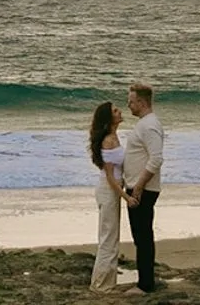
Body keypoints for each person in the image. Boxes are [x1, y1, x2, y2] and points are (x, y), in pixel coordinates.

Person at [121, 82, 164, 292]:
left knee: (143, 237)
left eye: (131, 101)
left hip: (143, 190)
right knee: (142, 236)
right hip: (138, 187)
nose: (128, 105)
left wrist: (138, 186)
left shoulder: (150, 125)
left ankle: (145, 284)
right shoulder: (144, 124)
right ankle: (146, 280)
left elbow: (156, 159)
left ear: (141, 102)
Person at [87, 101, 128, 290]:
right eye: (115, 111)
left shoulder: (114, 136)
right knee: (108, 238)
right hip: (109, 190)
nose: (120, 112)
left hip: (113, 190)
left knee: (111, 237)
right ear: (109, 118)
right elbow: (111, 177)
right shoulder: (108, 141)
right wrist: (126, 196)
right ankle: (101, 285)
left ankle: (106, 282)